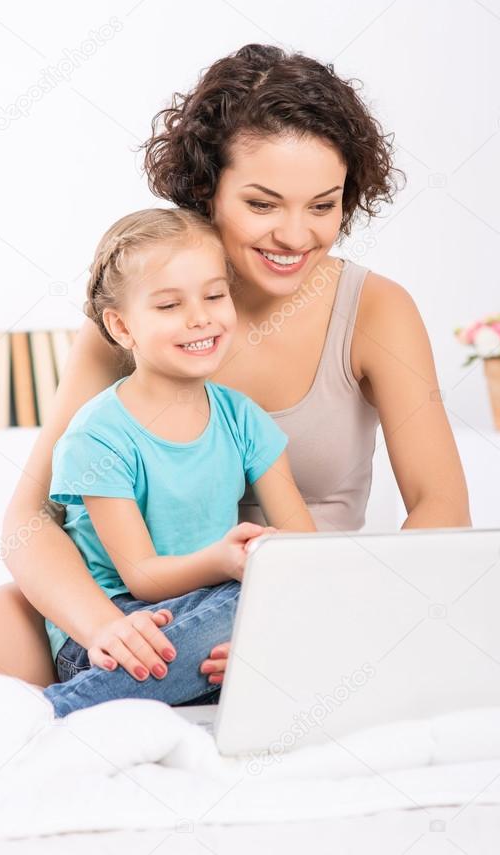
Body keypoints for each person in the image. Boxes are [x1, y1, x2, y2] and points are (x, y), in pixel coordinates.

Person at [0, 43, 470, 691]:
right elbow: (31, 520)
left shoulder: (376, 309)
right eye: (263, 204)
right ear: (207, 188)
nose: (297, 235)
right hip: (124, 601)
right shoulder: (140, 311)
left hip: (296, 602)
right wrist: (103, 628)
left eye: (323, 205)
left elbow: (443, 508)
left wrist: (323, 626)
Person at [41, 207, 315, 716]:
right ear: (122, 327)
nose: (201, 318)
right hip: (117, 631)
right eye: (169, 305)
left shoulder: (242, 418)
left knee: (278, 606)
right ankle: (53, 711)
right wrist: (225, 564)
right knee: (238, 606)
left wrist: (274, 619)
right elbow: (143, 575)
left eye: (215, 296)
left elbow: (304, 545)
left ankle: (220, 666)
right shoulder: (97, 435)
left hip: (210, 610)